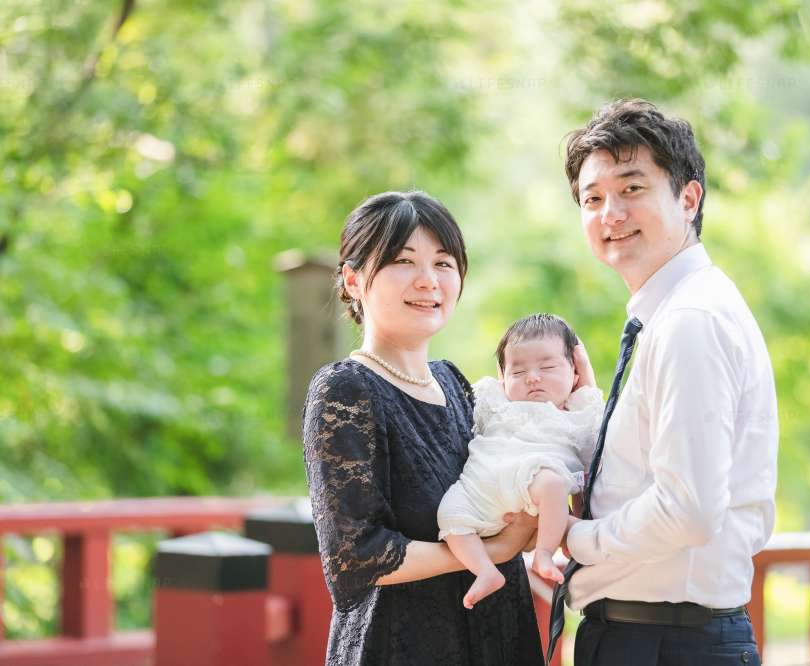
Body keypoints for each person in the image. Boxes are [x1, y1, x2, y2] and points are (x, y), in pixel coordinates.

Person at [552, 99, 779, 666]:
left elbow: (689, 508)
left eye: (632, 189)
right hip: (655, 636)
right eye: (593, 198)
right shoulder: (673, 313)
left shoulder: (689, 321)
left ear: (689, 197)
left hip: (667, 642)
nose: (611, 213)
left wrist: (577, 539)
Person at [302, 191, 546, 666]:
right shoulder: (345, 390)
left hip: (499, 634)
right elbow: (357, 555)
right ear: (353, 280)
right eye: (402, 261)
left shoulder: (456, 384)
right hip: (402, 643)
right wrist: (494, 551)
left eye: (443, 263)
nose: (427, 280)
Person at [437, 313, 603, 609]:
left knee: (552, 483)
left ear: (574, 373)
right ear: (503, 379)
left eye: (548, 367)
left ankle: (543, 552)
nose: (533, 377)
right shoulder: (495, 400)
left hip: (535, 478)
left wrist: (587, 381)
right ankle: (485, 571)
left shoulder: (577, 414)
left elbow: (594, 457)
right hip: (483, 486)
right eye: (518, 372)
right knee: (449, 515)